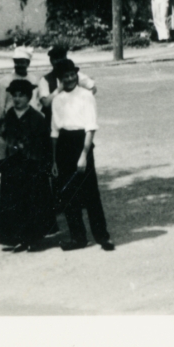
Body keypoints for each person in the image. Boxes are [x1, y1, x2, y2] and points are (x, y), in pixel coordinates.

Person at [49, 58, 114, 251]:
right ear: (60, 79)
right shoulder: (57, 100)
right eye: (65, 76)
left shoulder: (86, 96)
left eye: (72, 75)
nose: (70, 79)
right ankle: (78, 238)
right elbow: (54, 131)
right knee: (69, 194)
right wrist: (53, 160)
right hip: (63, 145)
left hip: (81, 143)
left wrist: (84, 154)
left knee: (90, 193)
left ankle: (102, 236)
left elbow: (90, 127)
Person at [0, 77, 54, 252]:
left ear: (29, 97)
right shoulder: (9, 115)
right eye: (15, 95)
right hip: (13, 165)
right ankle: (17, 238)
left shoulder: (36, 117)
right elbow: (0, 134)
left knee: (32, 201)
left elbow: (44, 143)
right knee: (13, 201)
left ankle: (33, 238)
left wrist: (36, 156)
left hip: (32, 166)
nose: (18, 99)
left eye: (22, 95)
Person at [0, 46, 37, 164]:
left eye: (23, 62)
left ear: (28, 63)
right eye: (17, 62)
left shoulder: (34, 80)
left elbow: (37, 105)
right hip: (11, 129)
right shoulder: (5, 82)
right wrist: (7, 130)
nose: (20, 65)